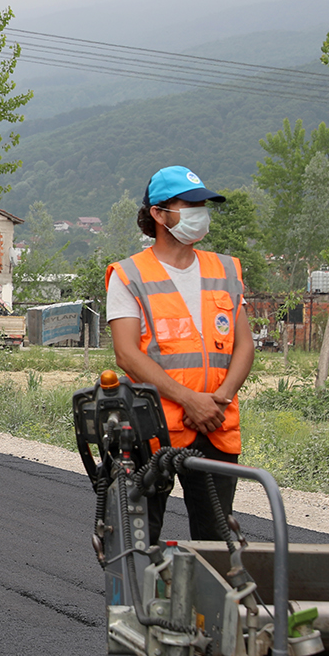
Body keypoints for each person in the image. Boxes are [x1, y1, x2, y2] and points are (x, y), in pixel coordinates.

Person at [106, 165, 254, 542]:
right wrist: (190, 400)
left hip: (215, 426)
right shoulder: (129, 275)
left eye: (202, 204)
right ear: (158, 213)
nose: (198, 213)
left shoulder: (225, 269)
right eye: (188, 205)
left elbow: (244, 345)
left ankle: (206, 603)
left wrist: (217, 401)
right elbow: (127, 354)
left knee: (217, 543)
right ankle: (142, 603)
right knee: (139, 540)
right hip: (151, 428)